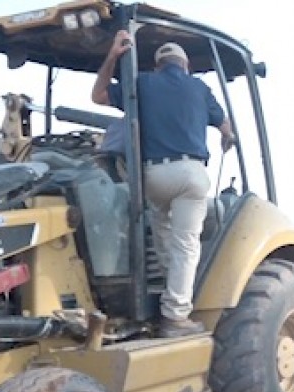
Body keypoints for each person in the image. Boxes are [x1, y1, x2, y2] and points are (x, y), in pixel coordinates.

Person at [91, 31, 235, 337]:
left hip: (153, 176)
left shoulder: (142, 82)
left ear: (158, 66)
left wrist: (114, 55)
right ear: (185, 66)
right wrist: (226, 137)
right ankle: (176, 314)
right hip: (191, 174)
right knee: (186, 245)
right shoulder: (199, 87)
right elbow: (225, 126)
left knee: (162, 233)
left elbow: (99, 96)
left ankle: (167, 292)